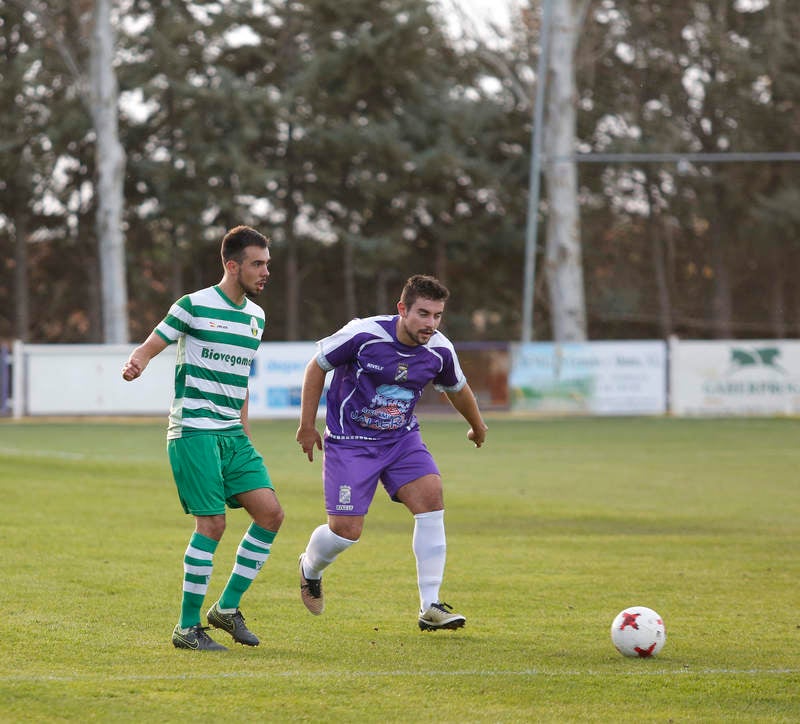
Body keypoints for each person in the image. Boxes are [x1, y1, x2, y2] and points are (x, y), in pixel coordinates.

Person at [122, 225, 284, 651]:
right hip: (193, 429)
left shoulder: (256, 316)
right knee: (212, 524)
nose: (266, 271)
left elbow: (241, 380)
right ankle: (187, 627)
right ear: (232, 265)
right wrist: (137, 361)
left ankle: (226, 609)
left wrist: (245, 436)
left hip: (232, 434)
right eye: (257, 264)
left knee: (270, 514)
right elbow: (151, 344)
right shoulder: (192, 305)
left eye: (267, 263)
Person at [295, 274, 487, 631]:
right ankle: (310, 566)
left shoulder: (439, 349)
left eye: (437, 315)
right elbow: (316, 367)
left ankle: (430, 606)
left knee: (431, 499)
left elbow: (458, 388)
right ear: (402, 310)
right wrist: (307, 425)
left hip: (401, 441)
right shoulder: (364, 334)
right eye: (423, 314)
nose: (431, 324)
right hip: (350, 443)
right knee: (345, 532)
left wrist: (477, 425)